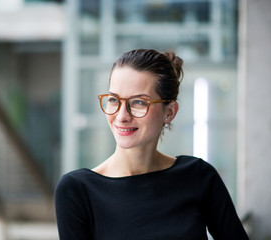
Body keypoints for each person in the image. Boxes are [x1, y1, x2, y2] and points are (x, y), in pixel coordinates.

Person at [55, 49, 249, 240]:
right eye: (114, 100)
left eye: (139, 102)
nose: (122, 116)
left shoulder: (198, 177)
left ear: (170, 112)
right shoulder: (77, 190)